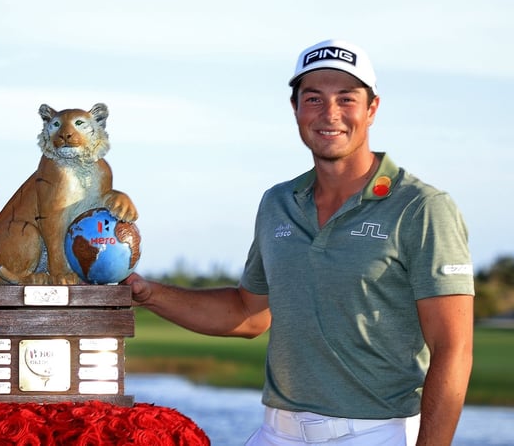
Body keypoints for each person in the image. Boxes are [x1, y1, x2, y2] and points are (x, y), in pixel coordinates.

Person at [124, 39, 474, 445]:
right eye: (314, 99)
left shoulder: (422, 207)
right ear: (295, 109)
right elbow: (249, 313)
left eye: (347, 99)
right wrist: (148, 293)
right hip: (277, 431)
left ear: (372, 109)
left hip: (374, 433)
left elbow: (453, 349)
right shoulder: (278, 203)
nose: (330, 114)